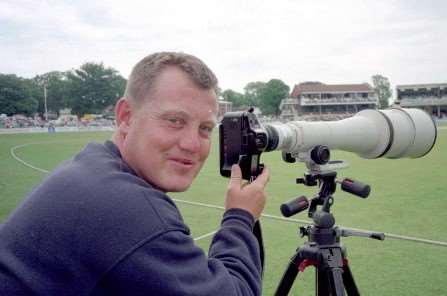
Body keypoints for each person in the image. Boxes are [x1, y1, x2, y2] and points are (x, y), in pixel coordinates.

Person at [0, 52, 270, 295]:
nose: (192, 144)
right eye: (174, 121)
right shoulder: (124, 206)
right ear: (126, 116)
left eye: (205, 129)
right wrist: (240, 217)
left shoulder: (93, 166)